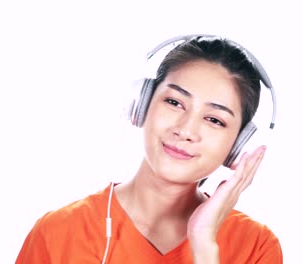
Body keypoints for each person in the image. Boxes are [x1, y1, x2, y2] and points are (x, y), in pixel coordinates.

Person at [15, 34, 283, 263]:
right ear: (141, 105)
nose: (186, 130)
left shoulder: (255, 247)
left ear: (238, 144)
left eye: (214, 119)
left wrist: (204, 244)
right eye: (175, 102)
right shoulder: (58, 232)